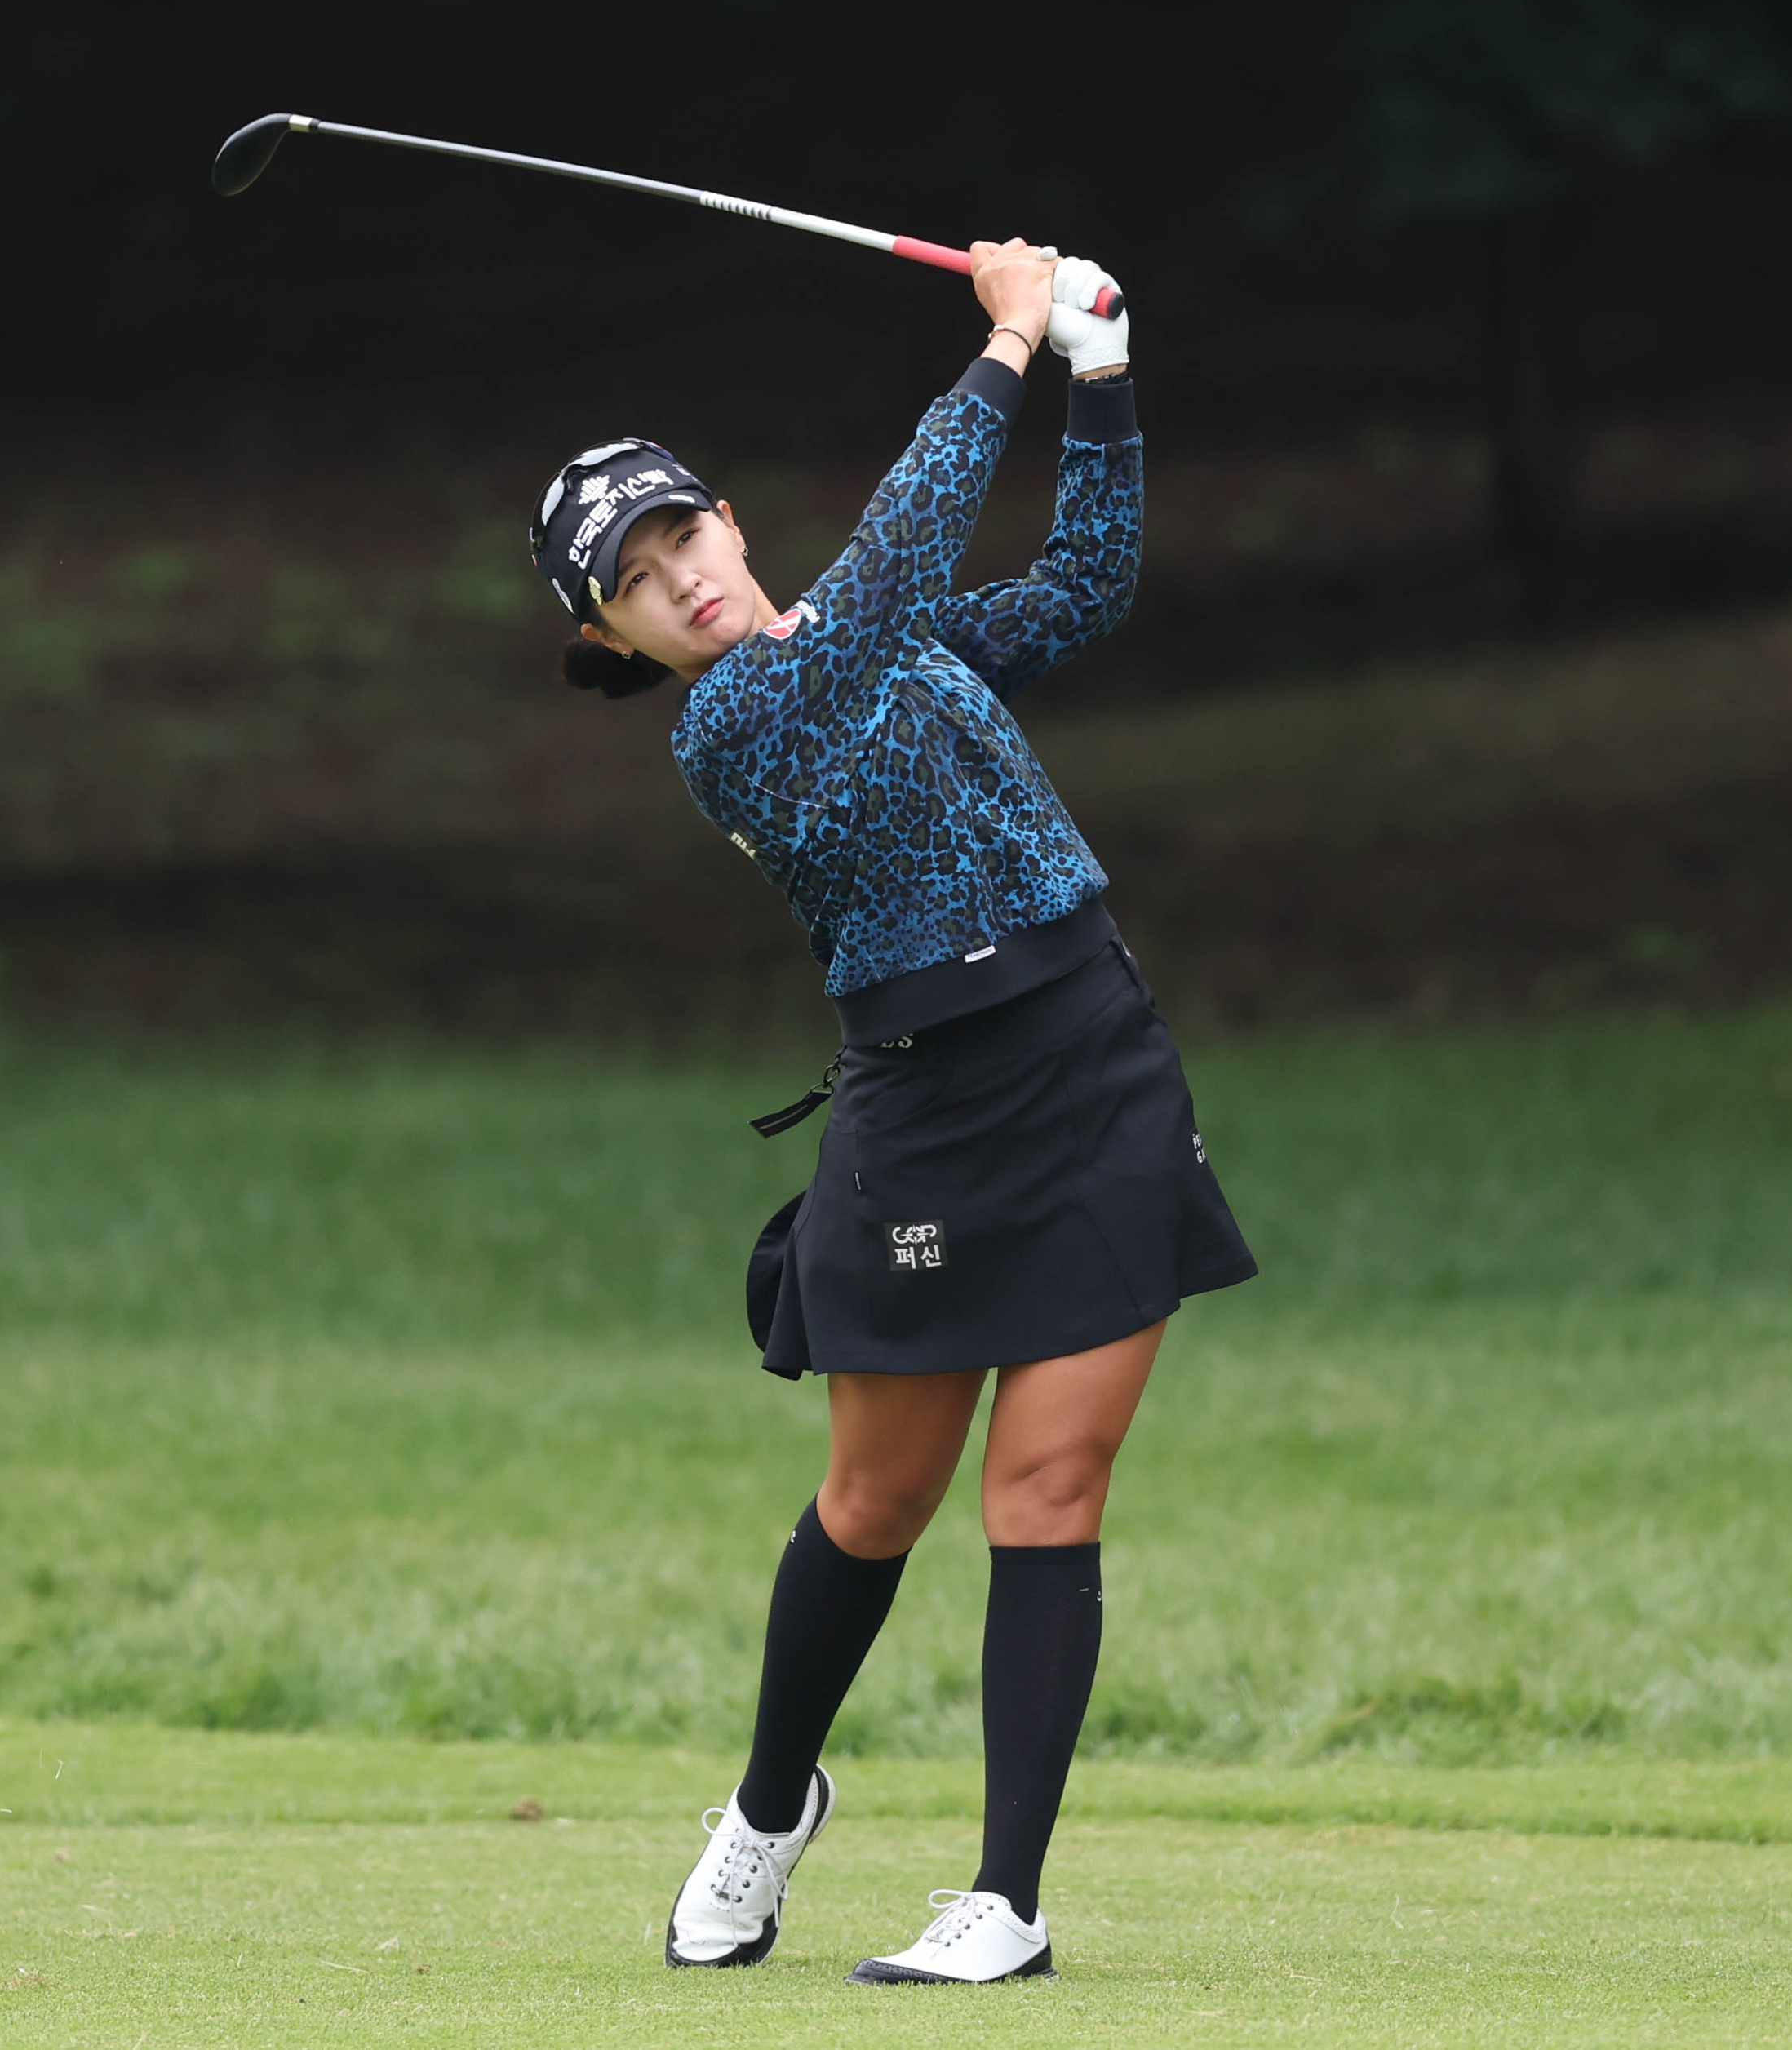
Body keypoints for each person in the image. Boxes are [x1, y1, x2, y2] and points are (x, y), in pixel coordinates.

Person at [527, 242, 1256, 1986]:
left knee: (1050, 1484)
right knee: (875, 1500)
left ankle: (1003, 1899)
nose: (679, 582)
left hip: (1087, 1058)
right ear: (609, 635)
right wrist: (1003, 338)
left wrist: (1099, 373)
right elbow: (894, 562)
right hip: (922, 1116)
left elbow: (1080, 582)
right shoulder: (737, 726)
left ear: (724, 520)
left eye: (681, 536)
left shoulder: (892, 634)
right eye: (634, 584)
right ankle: (771, 1806)